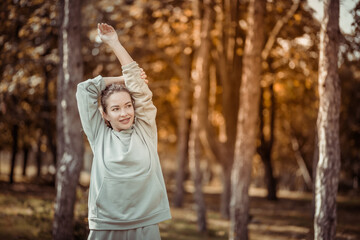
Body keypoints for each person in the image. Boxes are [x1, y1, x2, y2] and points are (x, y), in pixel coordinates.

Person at [76, 23, 171, 240]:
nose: (124, 113)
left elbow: (139, 87)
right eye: (116, 109)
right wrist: (120, 80)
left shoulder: (145, 130)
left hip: (146, 224)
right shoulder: (99, 136)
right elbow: (84, 89)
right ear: (105, 115)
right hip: (106, 224)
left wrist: (114, 42)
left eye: (128, 105)